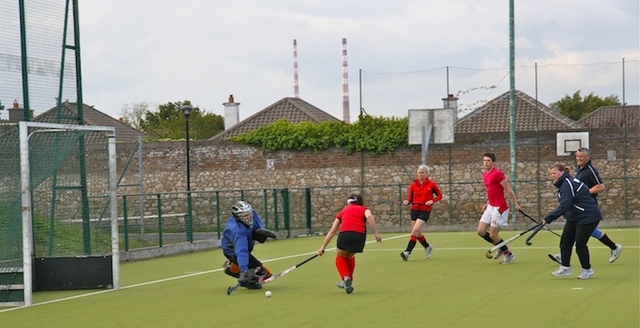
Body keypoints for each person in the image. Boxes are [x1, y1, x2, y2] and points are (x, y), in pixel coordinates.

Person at [548, 147, 622, 264]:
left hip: (587, 206)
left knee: (582, 233)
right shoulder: (579, 169)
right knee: (585, 231)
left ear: (587, 157)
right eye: (577, 156)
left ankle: (613, 247)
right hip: (580, 208)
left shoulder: (590, 170)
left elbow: (601, 187)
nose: (579, 159)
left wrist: (585, 192)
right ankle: (613, 247)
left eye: (581, 157)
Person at [542, 163, 602, 279]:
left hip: (588, 216)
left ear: (562, 172)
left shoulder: (567, 184)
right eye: (551, 174)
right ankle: (565, 268)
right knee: (565, 242)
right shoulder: (564, 184)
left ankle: (587, 269)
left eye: (554, 173)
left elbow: (565, 205)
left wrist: (549, 218)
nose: (552, 176)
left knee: (580, 244)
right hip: (575, 216)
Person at [316, 194, 382, 294]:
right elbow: (369, 216)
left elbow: (332, 232)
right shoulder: (364, 209)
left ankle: (346, 278)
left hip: (345, 235)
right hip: (359, 236)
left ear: (349, 202)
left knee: (340, 256)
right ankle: (348, 282)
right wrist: (376, 233)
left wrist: (323, 247)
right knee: (350, 256)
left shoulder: (343, 211)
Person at [476, 152, 521, 264]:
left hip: (499, 207)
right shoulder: (485, 174)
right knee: (481, 231)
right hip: (490, 206)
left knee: (493, 235)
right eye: (484, 161)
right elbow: (491, 190)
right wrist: (487, 203)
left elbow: (508, 189)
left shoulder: (498, 174)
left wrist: (516, 203)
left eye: (488, 161)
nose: (486, 163)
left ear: (493, 163)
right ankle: (501, 247)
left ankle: (508, 254)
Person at [221, 201, 276, 290]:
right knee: (265, 273)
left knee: (260, 271)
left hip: (246, 245)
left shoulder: (252, 213)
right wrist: (244, 271)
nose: (248, 217)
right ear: (238, 217)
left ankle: (233, 267)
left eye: (249, 214)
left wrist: (260, 229)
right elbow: (241, 251)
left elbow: (257, 221)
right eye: (245, 216)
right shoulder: (237, 231)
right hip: (232, 251)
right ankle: (241, 275)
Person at [399, 164, 443, 261]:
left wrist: (432, 201)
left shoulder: (431, 184)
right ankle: (427, 247)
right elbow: (409, 198)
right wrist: (407, 201)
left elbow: (439, 196)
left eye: (422, 173)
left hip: (425, 211)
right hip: (414, 210)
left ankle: (407, 252)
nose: (420, 174)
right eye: (419, 172)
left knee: (414, 231)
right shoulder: (413, 185)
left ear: (427, 173)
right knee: (417, 232)